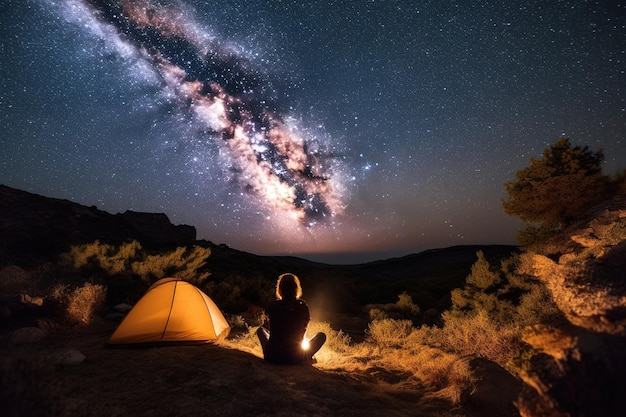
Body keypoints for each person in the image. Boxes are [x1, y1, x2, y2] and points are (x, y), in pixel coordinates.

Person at [256, 273, 326, 365]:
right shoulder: (303, 305)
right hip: (296, 357)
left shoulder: (272, 306)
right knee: (321, 336)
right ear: (296, 289)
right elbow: (304, 329)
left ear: (280, 289)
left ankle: (294, 355)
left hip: (272, 356)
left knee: (261, 330)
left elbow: (269, 327)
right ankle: (306, 357)